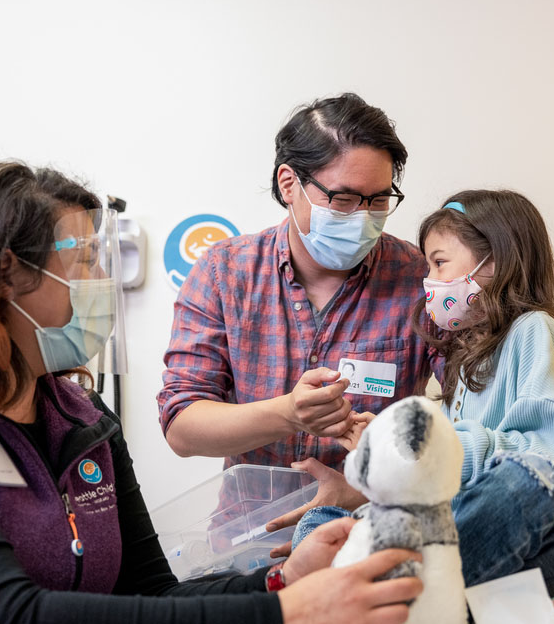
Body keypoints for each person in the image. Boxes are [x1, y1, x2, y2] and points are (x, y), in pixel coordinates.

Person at [0, 162, 424, 624]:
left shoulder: (80, 417)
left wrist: (283, 579)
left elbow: (147, 595)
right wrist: (285, 614)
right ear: (7, 273)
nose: (104, 285)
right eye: (85, 263)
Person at [293, 190, 554, 620]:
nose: (429, 281)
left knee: (526, 479)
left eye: (440, 263)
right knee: (326, 524)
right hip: (505, 577)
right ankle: (395, 597)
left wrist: (438, 450)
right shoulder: (467, 360)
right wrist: (395, 455)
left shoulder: (534, 331)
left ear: (493, 263)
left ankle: (390, 598)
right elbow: (453, 480)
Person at [157, 93, 433, 515]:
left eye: (378, 201)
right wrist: (288, 413)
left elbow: (474, 412)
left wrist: (368, 489)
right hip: (249, 541)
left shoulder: (417, 279)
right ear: (290, 184)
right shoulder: (225, 273)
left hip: (374, 533)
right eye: (342, 199)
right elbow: (182, 427)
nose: (363, 218)